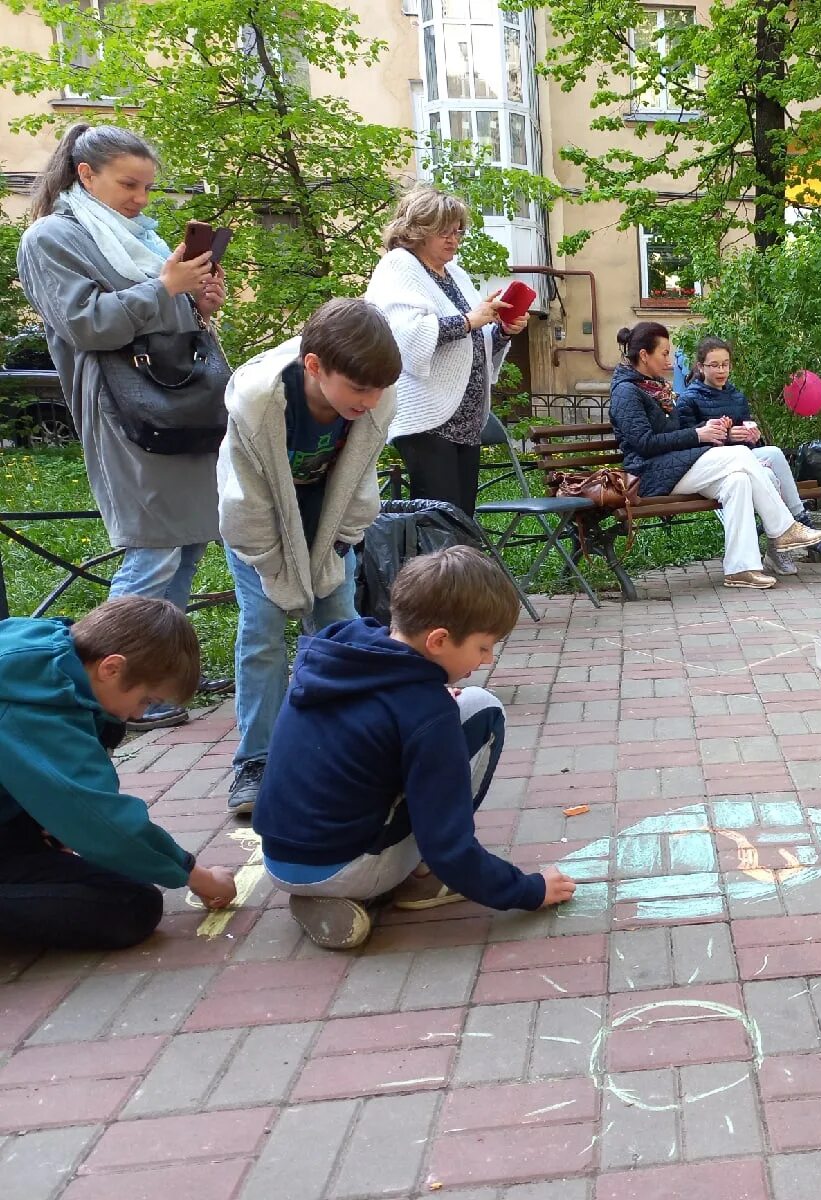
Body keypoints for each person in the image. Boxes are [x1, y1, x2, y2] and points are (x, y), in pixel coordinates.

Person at [253, 547, 576, 950]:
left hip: (279, 856)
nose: (488, 659)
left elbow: (381, 714)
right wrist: (529, 890)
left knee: (438, 725)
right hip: (343, 866)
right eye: (483, 646)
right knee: (484, 708)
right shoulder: (426, 710)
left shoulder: (342, 651)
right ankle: (413, 882)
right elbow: (450, 848)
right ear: (439, 639)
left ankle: (328, 894)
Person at [16, 123, 229, 731]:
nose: (140, 199)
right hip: (126, 413)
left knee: (184, 547)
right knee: (154, 552)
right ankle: (101, 696)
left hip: (178, 406)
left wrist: (195, 300)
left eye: (147, 187)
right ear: (86, 174)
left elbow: (159, 312)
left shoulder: (138, 238)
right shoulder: (52, 238)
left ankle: (155, 683)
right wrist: (166, 287)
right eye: (128, 184)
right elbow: (85, 324)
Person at [216, 299, 404, 816]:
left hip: (325, 522)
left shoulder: (376, 399)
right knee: (263, 633)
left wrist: (341, 543)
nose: (369, 401)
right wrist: (278, 576)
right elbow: (244, 507)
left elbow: (361, 483)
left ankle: (345, 749)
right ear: (315, 366)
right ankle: (256, 761)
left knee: (339, 627)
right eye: (359, 388)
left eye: (378, 389)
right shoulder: (257, 401)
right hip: (261, 525)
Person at [0, 597, 236, 950]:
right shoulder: (30, 706)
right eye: (147, 701)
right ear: (111, 668)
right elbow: (98, 816)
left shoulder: (46, 661)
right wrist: (196, 876)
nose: (141, 716)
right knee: (130, 905)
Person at [609, 323, 821, 590]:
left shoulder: (654, 388)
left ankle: (741, 569)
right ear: (644, 355)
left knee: (738, 481)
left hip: (675, 466)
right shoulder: (626, 392)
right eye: (664, 353)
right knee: (738, 455)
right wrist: (699, 435)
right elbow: (643, 443)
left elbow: (678, 432)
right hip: (649, 474)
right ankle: (783, 528)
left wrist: (711, 431)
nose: (669, 360)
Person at [365, 187, 531, 518]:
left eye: (458, 231)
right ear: (417, 229)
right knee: (440, 518)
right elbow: (407, 338)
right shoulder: (399, 266)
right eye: (444, 231)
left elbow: (473, 341)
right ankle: (433, 572)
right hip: (428, 419)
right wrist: (471, 320)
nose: (453, 240)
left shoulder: (455, 274)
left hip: (465, 420)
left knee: (462, 517)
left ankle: (460, 572)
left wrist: (499, 331)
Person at [674, 337, 821, 576]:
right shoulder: (689, 399)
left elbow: (750, 439)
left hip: (743, 459)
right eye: (715, 365)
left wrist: (752, 436)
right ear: (701, 367)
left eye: (725, 364)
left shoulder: (737, 396)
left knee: (773, 458)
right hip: (711, 468)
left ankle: (792, 529)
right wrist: (727, 436)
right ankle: (783, 543)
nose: (721, 370)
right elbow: (690, 443)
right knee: (769, 473)